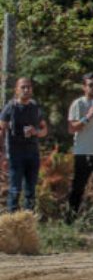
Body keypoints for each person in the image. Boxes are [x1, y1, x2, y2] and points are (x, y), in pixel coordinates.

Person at [0, 77, 48, 212]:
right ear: (16, 90)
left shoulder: (35, 108)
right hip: (15, 153)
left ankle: (28, 222)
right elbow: (1, 130)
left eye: (28, 87)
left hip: (33, 153)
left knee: (30, 190)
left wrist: (36, 132)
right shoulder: (10, 108)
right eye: (23, 87)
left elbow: (44, 130)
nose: (26, 90)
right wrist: (2, 153)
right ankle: (12, 220)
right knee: (15, 189)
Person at [66, 72, 93, 222]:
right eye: (91, 85)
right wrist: (88, 116)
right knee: (78, 187)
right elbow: (72, 128)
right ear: (84, 87)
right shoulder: (78, 103)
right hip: (83, 152)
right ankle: (70, 219)